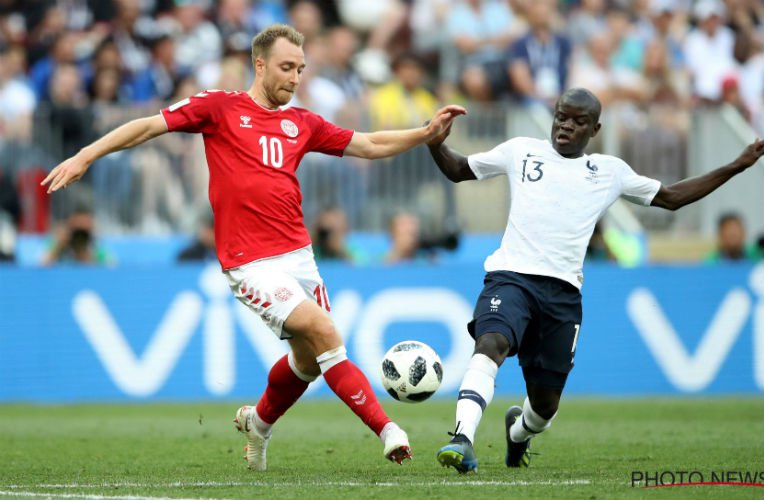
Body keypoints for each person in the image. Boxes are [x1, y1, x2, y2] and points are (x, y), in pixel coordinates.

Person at [41, 24, 466, 471]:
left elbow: (370, 144)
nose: (295, 78)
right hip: (250, 263)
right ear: (259, 65)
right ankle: (388, 430)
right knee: (324, 334)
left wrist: (425, 134)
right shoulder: (220, 107)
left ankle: (258, 424)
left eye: (301, 69)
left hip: (298, 257)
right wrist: (85, 155)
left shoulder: (302, 123)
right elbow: (148, 126)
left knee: (308, 359)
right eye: (286, 67)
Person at [424, 87, 764, 473]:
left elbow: (672, 197)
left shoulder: (609, 172)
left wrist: (738, 165)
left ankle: (518, 432)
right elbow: (459, 170)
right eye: (562, 116)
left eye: (578, 121)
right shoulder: (521, 151)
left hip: (562, 295)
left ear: (595, 129)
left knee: (544, 407)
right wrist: (434, 143)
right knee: (491, 343)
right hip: (511, 278)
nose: (566, 126)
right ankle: (462, 439)